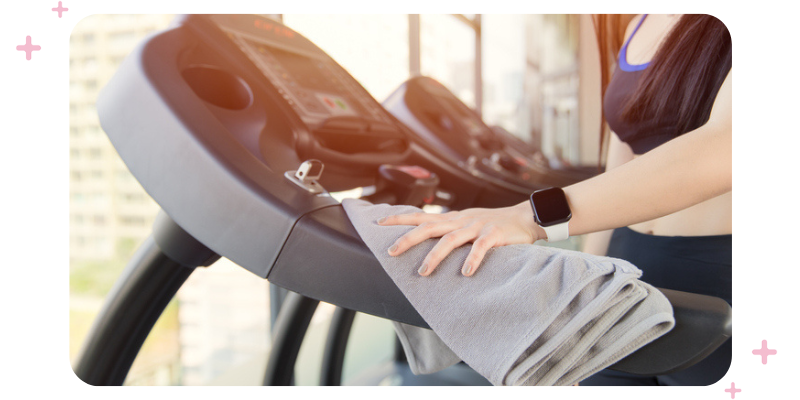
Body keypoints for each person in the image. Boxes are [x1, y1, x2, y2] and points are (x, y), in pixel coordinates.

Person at [376, 14, 732, 386]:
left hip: (716, 273)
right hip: (630, 267)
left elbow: (727, 146)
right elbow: (619, 167)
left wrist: (528, 217)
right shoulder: (637, 25)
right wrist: (583, 297)